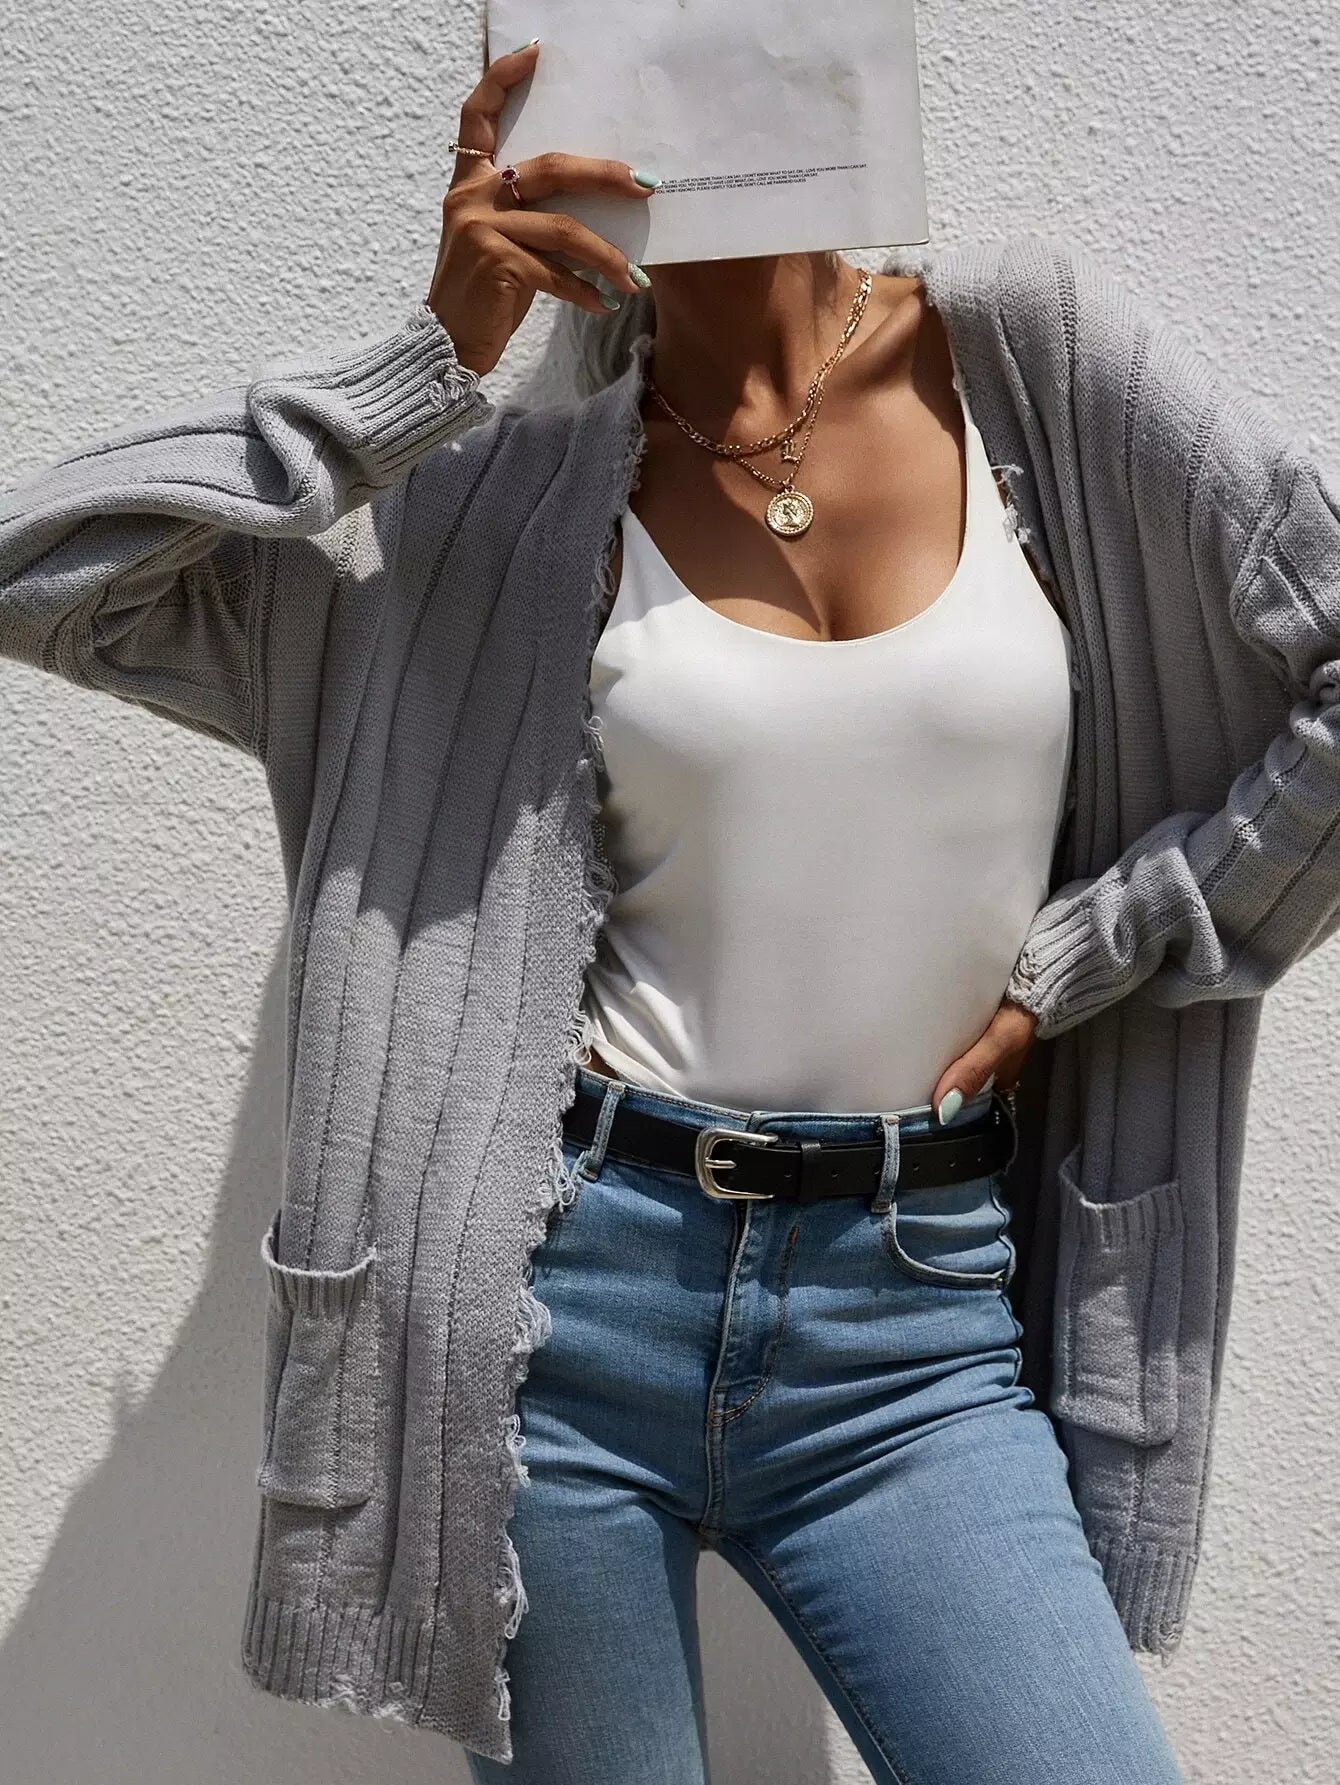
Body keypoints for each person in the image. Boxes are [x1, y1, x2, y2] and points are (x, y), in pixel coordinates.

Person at [6, 33, 1338, 1785]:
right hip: (560, 1329)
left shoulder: (1028, 361)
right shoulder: (502, 499)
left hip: (912, 1324)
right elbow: (50, 572)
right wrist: (426, 363)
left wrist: (1111, 940)